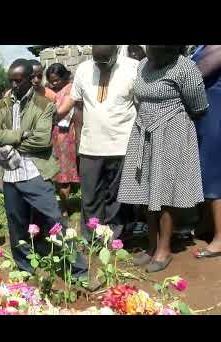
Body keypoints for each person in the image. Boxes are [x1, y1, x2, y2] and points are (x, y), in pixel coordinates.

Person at [0, 59, 92, 288]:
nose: (14, 85)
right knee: (16, 224)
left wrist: (8, 140)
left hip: (34, 172)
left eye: (18, 80)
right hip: (11, 175)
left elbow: (42, 140)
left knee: (55, 220)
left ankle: (78, 270)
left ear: (30, 79)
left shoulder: (45, 103)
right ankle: (25, 268)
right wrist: (20, 136)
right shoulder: (3, 104)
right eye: (11, 81)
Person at [117, 45, 209, 272]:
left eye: (158, 52)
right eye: (150, 50)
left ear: (173, 51)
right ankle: (151, 246)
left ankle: (164, 250)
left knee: (165, 192)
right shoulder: (143, 65)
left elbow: (199, 107)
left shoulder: (186, 67)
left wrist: (170, 119)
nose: (152, 55)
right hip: (143, 132)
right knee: (147, 192)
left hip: (172, 133)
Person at [56, 45, 139, 241]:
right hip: (90, 146)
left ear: (117, 51)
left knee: (116, 196)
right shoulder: (84, 69)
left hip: (121, 145)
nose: (100, 65)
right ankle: (91, 237)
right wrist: (56, 116)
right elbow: (75, 103)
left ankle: (113, 237)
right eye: (97, 61)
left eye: (105, 61)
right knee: (90, 195)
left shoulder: (133, 68)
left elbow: (140, 104)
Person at [191, 45, 221, 258]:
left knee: (213, 175)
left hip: (216, 112)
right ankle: (206, 224)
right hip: (207, 112)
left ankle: (219, 239)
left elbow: (197, 71)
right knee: (205, 170)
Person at [46, 63, 81, 217]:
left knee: (64, 176)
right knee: (53, 174)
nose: (54, 83)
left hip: (66, 137)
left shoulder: (70, 90)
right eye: (51, 81)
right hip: (50, 136)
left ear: (64, 77)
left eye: (57, 80)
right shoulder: (49, 91)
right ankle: (58, 204)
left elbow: (61, 113)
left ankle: (64, 208)